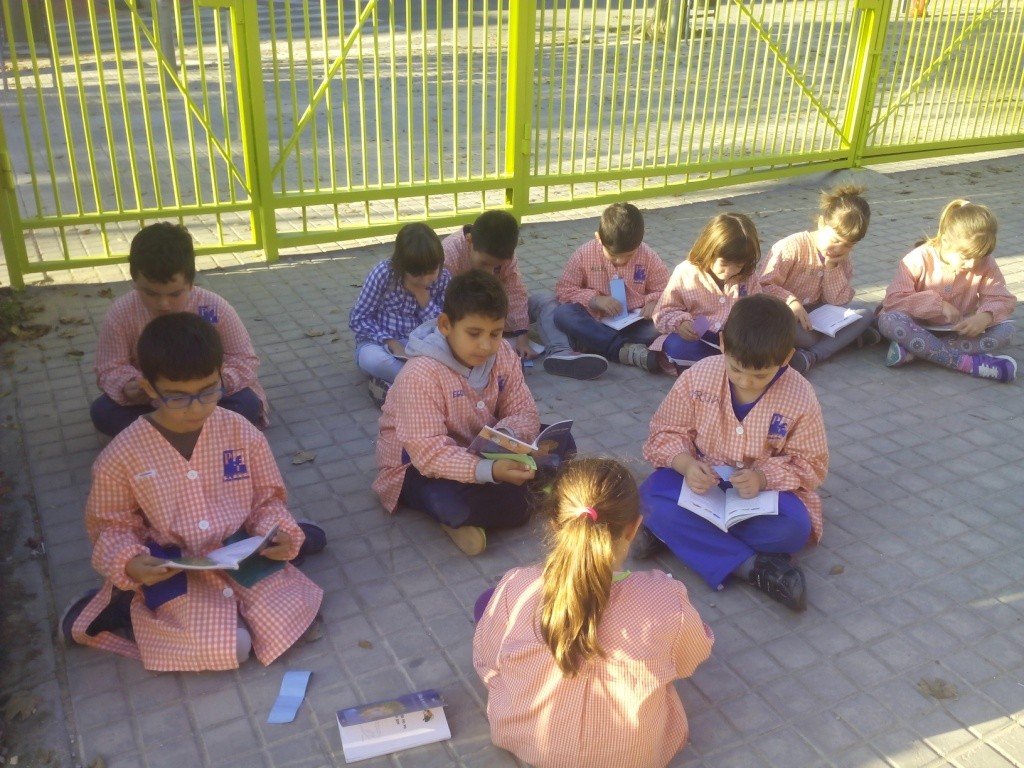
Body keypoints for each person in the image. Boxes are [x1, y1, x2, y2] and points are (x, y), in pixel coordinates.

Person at [62, 313, 324, 671]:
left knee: (289, 620)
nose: (197, 407)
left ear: (221, 377)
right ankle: (124, 607)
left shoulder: (241, 432)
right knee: (233, 647)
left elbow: (266, 499)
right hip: (173, 568)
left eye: (208, 391)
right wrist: (130, 563)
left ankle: (293, 548)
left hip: (238, 552)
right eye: (179, 397)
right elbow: (112, 526)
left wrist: (275, 532)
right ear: (150, 389)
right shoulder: (121, 455)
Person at [473, 457, 714, 768]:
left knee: (487, 604)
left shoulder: (517, 585)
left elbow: (488, 662)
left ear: (554, 524)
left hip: (530, 745)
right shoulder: (667, 598)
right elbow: (689, 660)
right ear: (634, 527)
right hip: (634, 758)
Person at [636, 294, 829, 611]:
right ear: (724, 344)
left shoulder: (800, 396)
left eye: (761, 375)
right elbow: (666, 432)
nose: (747, 382)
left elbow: (811, 464)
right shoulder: (699, 375)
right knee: (649, 496)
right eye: (736, 369)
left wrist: (762, 478)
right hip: (701, 481)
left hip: (761, 495)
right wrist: (686, 466)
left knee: (794, 529)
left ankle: (676, 535)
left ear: (786, 357)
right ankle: (755, 567)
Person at [373, 270, 574, 556]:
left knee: (561, 442)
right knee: (453, 501)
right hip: (418, 466)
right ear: (445, 325)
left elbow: (522, 409)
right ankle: (522, 498)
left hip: (485, 449)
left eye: (495, 333)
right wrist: (489, 470)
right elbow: (429, 454)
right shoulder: (420, 374)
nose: (486, 345)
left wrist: (506, 438)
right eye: (474, 333)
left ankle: (512, 499)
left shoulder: (503, 354)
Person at [90, 222, 267, 437]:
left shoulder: (214, 309)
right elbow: (109, 367)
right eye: (151, 293)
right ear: (134, 281)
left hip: (207, 399)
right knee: (104, 412)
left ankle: (163, 436)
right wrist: (128, 386)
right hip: (156, 401)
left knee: (246, 403)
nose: (163, 304)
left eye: (174, 294)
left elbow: (245, 359)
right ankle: (200, 435)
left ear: (191, 283)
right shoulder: (121, 314)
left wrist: (215, 384)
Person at [443, 210, 607, 380]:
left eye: (496, 267)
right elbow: (442, 306)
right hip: (465, 320)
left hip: (499, 313)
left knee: (546, 301)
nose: (489, 272)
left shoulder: (506, 255)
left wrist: (523, 339)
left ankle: (561, 352)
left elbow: (515, 293)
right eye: (484, 263)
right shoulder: (449, 254)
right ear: (469, 241)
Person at [877, 199, 1017, 382]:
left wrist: (985, 317)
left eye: (980, 256)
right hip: (915, 327)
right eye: (966, 257)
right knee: (888, 320)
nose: (972, 264)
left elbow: (1000, 297)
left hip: (956, 332)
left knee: (1006, 329)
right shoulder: (918, 258)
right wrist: (938, 305)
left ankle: (913, 352)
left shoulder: (986, 263)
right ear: (945, 241)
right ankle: (967, 364)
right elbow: (894, 299)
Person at [758, 184, 879, 373]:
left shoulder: (842, 259)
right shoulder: (791, 246)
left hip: (817, 314)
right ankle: (849, 338)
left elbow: (838, 301)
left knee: (864, 313)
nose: (839, 249)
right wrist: (791, 302)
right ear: (822, 223)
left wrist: (831, 268)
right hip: (783, 315)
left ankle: (811, 356)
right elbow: (763, 285)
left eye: (849, 245)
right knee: (808, 337)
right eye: (835, 240)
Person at [553, 202, 670, 372]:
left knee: (659, 328)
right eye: (613, 256)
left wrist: (654, 302)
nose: (621, 261)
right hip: (594, 320)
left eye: (629, 255)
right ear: (599, 238)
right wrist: (594, 300)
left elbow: (666, 289)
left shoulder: (648, 256)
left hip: (632, 324)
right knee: (563, 314)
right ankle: (622, 350)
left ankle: (597, 344)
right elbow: (564, 290)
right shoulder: (583, 254)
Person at [349, 223, 451, 408]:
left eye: (431, 273)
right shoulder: (383, 274)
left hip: (422, 346)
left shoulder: (444, 278)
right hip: (380, 344)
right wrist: (392, 343)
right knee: (372, 360)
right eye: (417, 275)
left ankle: (394, 388)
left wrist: (423, 297)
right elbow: (358, 318)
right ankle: (425, 385)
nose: (425, 280)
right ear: (401, 266)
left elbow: (445, 326)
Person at [652, 212, 761, 373]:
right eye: (724, 263)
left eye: (738, 265)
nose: (729, 271)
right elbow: (662, 313)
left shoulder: (749, 277)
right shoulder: (686, 273)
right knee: (675, 347)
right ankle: (728, 368)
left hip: (734, 343)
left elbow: (758, 311)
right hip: (698, 340)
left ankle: (718, 367)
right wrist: (681, 324)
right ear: (709, 250)